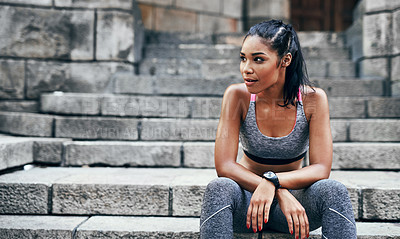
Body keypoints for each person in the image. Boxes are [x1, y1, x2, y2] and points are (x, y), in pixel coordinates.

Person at [200, 20, 356, 239]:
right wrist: (274, 188)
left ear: (285, 60)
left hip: (294, 210)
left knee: (334, 190)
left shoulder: (313, 100)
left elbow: (321, 169)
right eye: (243, 58)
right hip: (249, 204)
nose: (247, 69)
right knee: (219, 188)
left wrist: (274, 182)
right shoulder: (237, 96)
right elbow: (225, 165)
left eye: (258, 60)